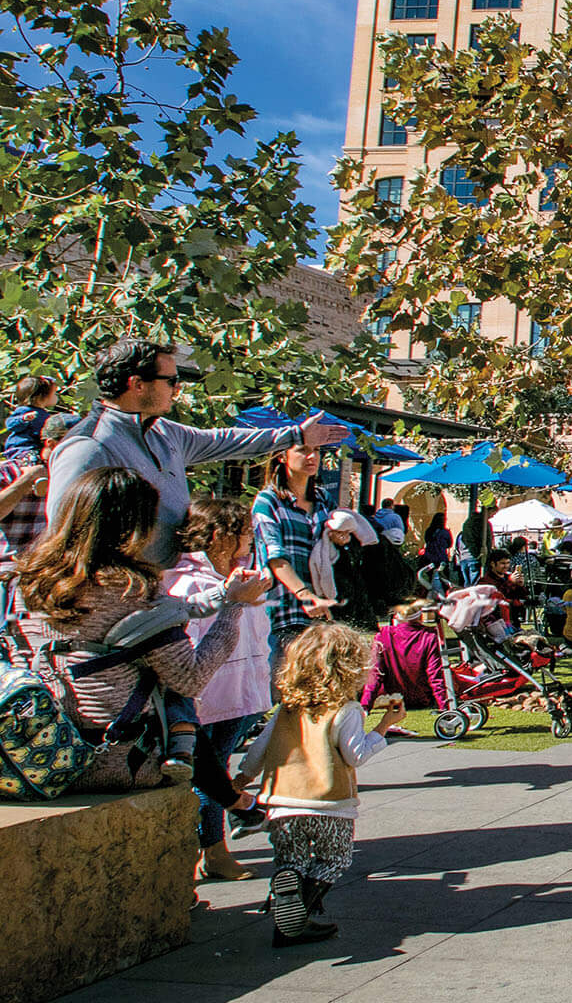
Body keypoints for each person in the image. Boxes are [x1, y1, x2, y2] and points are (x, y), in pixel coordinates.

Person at [17, 467, 273, 793]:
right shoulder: (130, 590)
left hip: (46, 748)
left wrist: (222, 595)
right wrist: (233, 607)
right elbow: (189, 678)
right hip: (113, 756)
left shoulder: (36, 580)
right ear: (134, 525)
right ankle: (229, 798)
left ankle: (231, 801)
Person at [46, 339, 347, 564]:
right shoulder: (89, 446)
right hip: (118, 604)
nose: (177, 390)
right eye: (171, 381)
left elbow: (226, 441)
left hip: (164, 590)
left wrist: (295, 435)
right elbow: (63, 540)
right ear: (136, 384)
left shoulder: (164, 432)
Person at [234, 621, 406, 947]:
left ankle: (289, 889)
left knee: (291, 860)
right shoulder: (346, 710)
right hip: (330, 804)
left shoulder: (286, 710)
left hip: (281, 803)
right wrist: (384, 726)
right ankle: (301, 914)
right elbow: (355, 756)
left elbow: (258, 751)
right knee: (334, 859)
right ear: (352, 668)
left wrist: (241, 780)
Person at [163, 496, 274, 881]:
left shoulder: (238, 576)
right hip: (207, 697)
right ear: (219, 536)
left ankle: (210, 848)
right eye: (243, 533)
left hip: (240, 695)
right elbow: (187, 645)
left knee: (216, 772)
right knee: (209, 777)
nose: (249, 541)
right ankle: (212, 851)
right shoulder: (188, 582)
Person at [0, 414, 77, 659]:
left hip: (58, 581)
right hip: (8, 579)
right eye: (71, 444)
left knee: (52, 658)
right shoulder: (6, 471)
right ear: (49, 443)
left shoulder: (78, 476)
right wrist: (27, 480)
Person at [252, 442, 334, 673]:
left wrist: (342, 537)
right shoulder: (268, 501)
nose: (312, 456)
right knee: (281, 688)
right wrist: (303, 594)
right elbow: (273, 556)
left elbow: (335, 547)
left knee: (317, 691)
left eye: (317, 450)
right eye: (303, 450)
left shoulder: (323, 499)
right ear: (281, 456)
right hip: (283, 609)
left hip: (323, 609)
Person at [2, 374, 61, 457]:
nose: (56, 397)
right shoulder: (25, 410)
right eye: (54, 394)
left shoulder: (45, 414)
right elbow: (10, 424)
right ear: (40, 397)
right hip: (22, 448)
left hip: (36, 448)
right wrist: (23, 419)